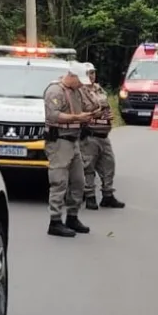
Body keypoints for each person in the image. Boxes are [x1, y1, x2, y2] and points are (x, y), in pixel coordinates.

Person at [43, 66, 94, 237]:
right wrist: (76, 118)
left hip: (74, 141)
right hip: (59, 142)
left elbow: (91, 105)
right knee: (59, 182)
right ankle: (55, 221)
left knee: (78, 181)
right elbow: (53, 115)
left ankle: (72, 216)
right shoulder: (55, 91)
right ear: (71, 76)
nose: (81, 85)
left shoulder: (77, 91)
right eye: (79, 81)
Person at [78, 62, 125, 211]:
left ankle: (108, 195)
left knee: (109, 165)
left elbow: (106, 106)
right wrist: (94, 114)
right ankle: (90, 197)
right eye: (88, 73)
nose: (91, 76)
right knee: (88, 166)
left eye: (92, 73)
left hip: (104, 134)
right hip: (89, 135)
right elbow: (79, 113)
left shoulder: (99, 89)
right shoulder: (79, 91)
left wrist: (110, 115)